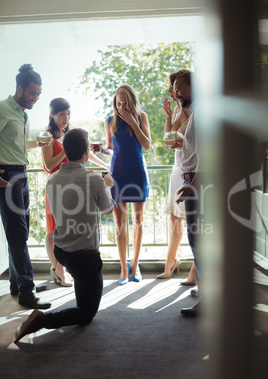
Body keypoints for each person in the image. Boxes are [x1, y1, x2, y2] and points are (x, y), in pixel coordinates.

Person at [13, 128, 116, 343]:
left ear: (65, 152)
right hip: (85, 257)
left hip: (61, 251)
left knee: (82, 281)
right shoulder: (93, 179)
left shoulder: (53, 179)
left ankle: (78, 294)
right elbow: (107, 209)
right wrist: (106, 186)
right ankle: (42, 321)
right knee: (87, 313)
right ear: (87, 152)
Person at [41, 98, 110, 287]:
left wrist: (106, 165)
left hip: (73, 185)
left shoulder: (71, 134)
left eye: (68, 113)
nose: (66, 117)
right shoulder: (47, 136)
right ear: (52, 114)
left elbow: (86, 153)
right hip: (56, 184)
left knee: (69, 225)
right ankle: (58, 269)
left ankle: (66, 267)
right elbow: (48, 165)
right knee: (52, 228)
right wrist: (67, 149)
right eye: (62, 114)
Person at [0, 64, 51, 309]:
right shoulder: (2, 109)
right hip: (6, 177)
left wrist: (36, 144)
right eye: (32, 93)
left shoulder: (23, 113)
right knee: (18, 235)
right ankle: (27, 292)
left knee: (21, 233)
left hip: (22, 175)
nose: (36, 98)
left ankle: (16, 282)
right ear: (19, 88)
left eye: (39, 94)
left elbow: (13, 145)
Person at [91, 84, 151, 285]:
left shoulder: (141, 117)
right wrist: (100, 150)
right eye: (118, 103)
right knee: (119, 223)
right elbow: (111, 148)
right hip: (117, 174)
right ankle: (123, 267)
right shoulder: (109, 120)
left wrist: (134, 123)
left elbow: (147, 145)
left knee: (139, 222)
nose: (122, 107)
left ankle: (135, 264)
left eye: (125, 103)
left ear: (132, 103)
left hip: (137, 173)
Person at [157, 70, 196, 285]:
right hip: (178, 168)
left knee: (195, 223)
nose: (174, 92)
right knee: (175, 219)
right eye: (173, 88)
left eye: (177, 88)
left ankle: (194, 272)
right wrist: (168, 116)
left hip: (191, 169)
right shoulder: (181, 110)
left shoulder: (194, 109)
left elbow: (194, 135)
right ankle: (170, 263)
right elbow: (167, 139)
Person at [173, 71, 201, 317]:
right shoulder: (194, 113)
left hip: (197, 182)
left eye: (180, 88)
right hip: (192, 179)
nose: (176, 92)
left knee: (198, 240)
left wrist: (193, 183)